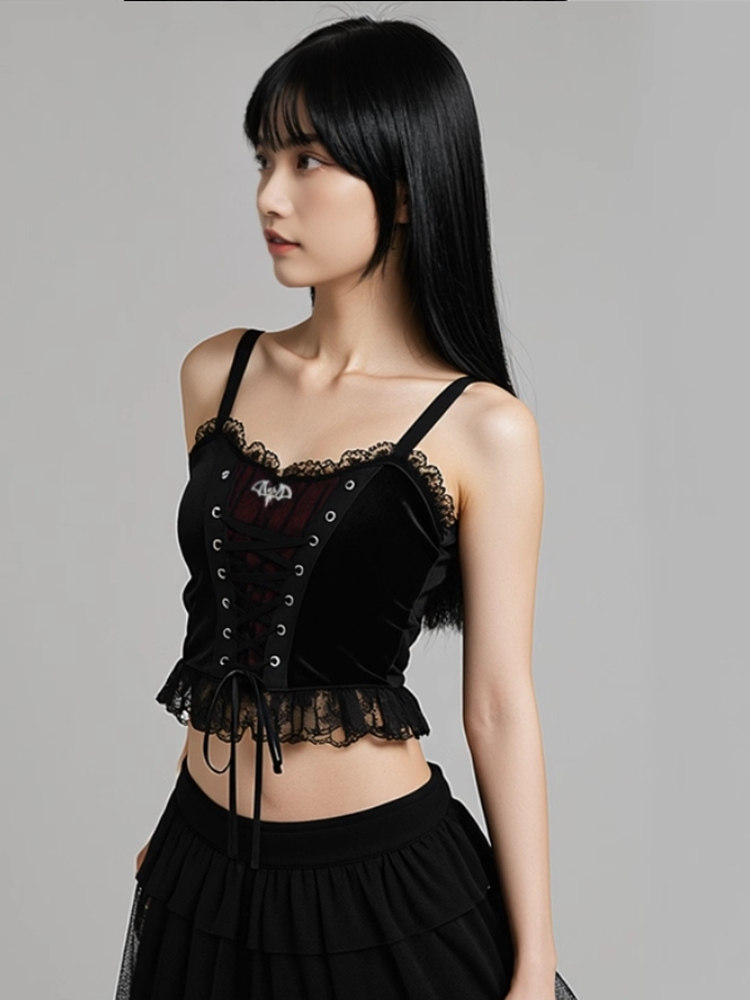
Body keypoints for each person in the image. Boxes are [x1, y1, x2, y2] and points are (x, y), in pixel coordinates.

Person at [114, 13, 579, 1000]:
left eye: (309, 160)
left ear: (403, 189)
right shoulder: (216, 374)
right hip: (200, 868)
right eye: (264, 159)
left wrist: (534, 959)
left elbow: (499, 703)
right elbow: (218, 637)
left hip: (376, 887)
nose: (269, 195)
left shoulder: (483, 428)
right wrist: (173, 828)